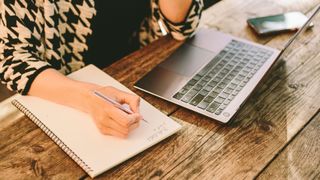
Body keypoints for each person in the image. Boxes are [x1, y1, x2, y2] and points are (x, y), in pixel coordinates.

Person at [0, 0, 203, 138]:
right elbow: (11, 58)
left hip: (139, 76)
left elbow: (181, 28)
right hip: (64, 98)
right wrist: (89, 97)